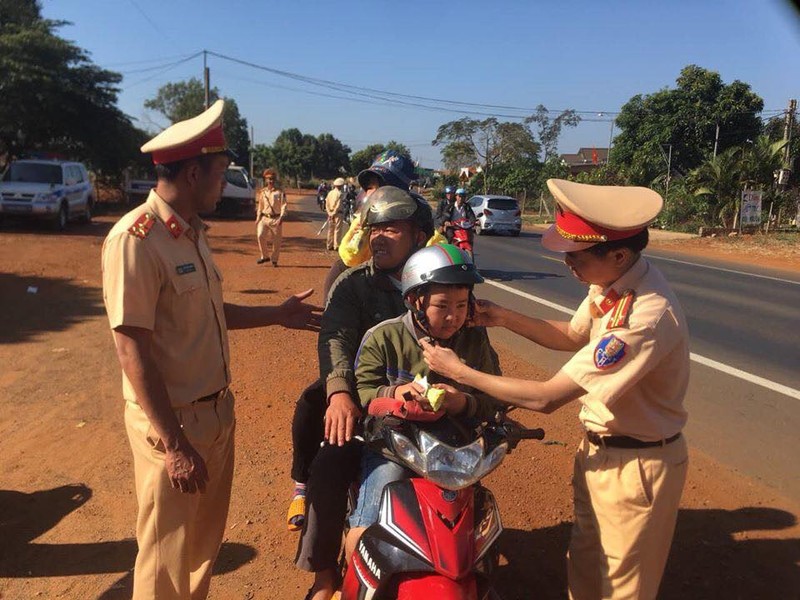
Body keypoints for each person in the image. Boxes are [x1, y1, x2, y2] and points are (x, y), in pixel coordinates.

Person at [422, 178, 690, 600]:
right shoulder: (611, 286)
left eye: (575, 256)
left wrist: (460, 372)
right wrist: (502, 316)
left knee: (623, 588)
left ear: (618, 254)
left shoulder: (642, 318)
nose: (568, 264)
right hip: (601, 452)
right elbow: (571, 334)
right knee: (584, 567)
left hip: (636, 465)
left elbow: (546, 398)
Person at [101, 100, 322, 600]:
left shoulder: (191, 233)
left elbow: (208, 311)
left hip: (216, 414)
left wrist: (275, 314)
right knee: (165, 560)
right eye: (221, 173)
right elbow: (130, 348)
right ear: (194, 172)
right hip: (173, 426)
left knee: (200, 552)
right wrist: (175, 445)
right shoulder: (136, 240)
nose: (226, 183)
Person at [294, 187, 435, 600]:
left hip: (430, 413)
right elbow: (334, 338)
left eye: (392, 228)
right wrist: (341, 394)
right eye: (375, 227)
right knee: (330, 462)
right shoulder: (353, 285)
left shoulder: (442, 284)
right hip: (366, 405)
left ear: (419, 236)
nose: (378, 236)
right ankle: (324, 576)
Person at [344, 243, 502, 562]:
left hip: (454, 451)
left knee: (474, 531)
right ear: (415, 301)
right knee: (367, 528)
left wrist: (464, 403)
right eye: (442, 305)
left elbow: (494, 396)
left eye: (461, 305)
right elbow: (363, 393)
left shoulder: (474, 339)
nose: (453, 317)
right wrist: (394, 395)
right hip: (393, 449)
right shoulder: (383, 337)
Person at [255, 168, 286, 266]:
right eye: (269, 179)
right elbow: (260, 206)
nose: (270, 181)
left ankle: (274, 259)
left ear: (275, 180)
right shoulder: (263, 192)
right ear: (266, 180)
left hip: (276, 219)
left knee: (276, 241)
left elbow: (283, 205)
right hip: (264, 218)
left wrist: (281, 217)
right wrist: (258, 217)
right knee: (260, 235)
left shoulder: (279, 192)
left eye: (272, 179)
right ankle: (265, 256)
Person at [325, 177, 345, 251]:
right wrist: (333, 213)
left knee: (330, 230)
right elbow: (338, 205)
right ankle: (336, 245)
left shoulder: (330, 193)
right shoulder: (340, 194)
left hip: (330, 213)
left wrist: (329, 213)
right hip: (337, 214)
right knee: (337, 230)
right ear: (341, 186)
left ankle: (329, 245)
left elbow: (326, 204)